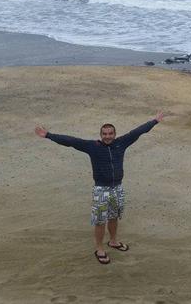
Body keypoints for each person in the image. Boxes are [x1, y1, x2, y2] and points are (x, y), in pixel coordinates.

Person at [34, 111, 164, 264]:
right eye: (105, 133)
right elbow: (71, 141)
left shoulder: (121, 142)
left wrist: (154, 121)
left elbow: (138, 131)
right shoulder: (92, 146)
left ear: (115, 134)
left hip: (117, 188)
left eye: (110, 133)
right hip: (101, 190)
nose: (107, 136)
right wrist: (48, 135)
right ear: (101, 134)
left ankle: (114, 241)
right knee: (100, 221)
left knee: (114, 217)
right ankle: (99, 248)